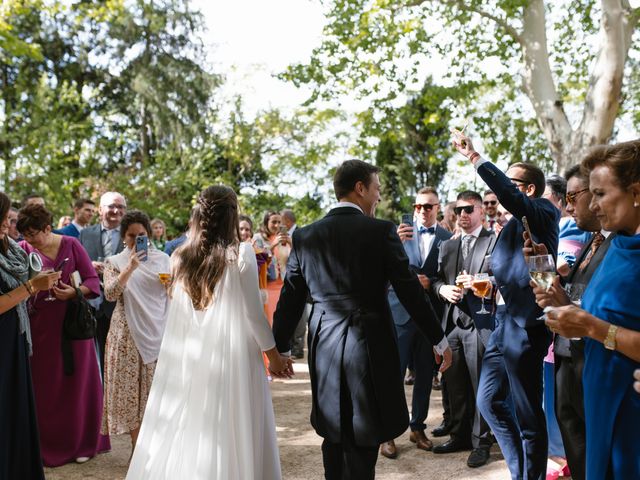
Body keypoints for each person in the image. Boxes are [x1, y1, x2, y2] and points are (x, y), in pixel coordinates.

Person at [272, 160, 452, 479]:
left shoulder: (306, 236)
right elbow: (409, 290)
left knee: (333, 430)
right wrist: (439, 338)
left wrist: (281, 349)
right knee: (364, 431)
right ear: (360, 189)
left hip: (323, 343)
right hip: (367, 344)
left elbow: (290, 296)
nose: (378, 197)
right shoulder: (380, 231)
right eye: (377, 189)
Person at [126, 186, 290, 479]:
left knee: (192, 426)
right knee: (232, 426)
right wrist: (274, 357)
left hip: (190, 355)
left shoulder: (180, 256)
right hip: (233, 357)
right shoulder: (241, 255)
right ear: (232, 215)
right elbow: (253, 315)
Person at [452, 132, 559, 480]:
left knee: (529, 417)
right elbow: (510, 272)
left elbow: (542, 269)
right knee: (489, 402)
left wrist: (475, 157)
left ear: (527, 189)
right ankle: (519, 471)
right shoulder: (510, 227)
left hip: (527, 329)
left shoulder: (541, 211)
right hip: (502, 324)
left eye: (509, 185)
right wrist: (487, 284)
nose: (498, 196)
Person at [545, 141, 640, 480]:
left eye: (600, 194)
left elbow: (601, 326)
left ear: (636, 193)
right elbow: (602, 314)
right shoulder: (619, 244)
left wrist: (592, 328)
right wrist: (565, 307)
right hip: (599, 396)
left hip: (629, 410)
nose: (592, 205)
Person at [526, 164, 615, 480]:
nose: (568, 206)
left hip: (594, 364)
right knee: (577, 454)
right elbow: (565, 298)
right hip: (565, 360)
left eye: (574, 197)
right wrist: (540, 267)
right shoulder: (593, 241)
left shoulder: (620, 245)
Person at [17, 204, 110, 466]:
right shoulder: (24, 250)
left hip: (73, 326)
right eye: (24, 234)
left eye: (33, 233)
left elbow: (92, 282)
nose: (28, 239)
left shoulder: (71, 244)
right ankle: (46, 445)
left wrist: (74, 292)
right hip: (40, 328)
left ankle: (82, 442)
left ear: (48, 228)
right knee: (45, 387)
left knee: (77, 384)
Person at [382, 186, 452, 458]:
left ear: (437, 208)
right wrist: (394, 245)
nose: (424, 210)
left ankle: (417, 427)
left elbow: (450, 275)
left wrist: (431, 284)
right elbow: (381, 273)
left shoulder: (447, 237)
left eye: (430, 206)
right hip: (398, 314)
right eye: (420, 206)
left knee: (424, 375)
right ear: (414, 208)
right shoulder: (395, 236)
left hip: (430, 317)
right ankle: (387, 433)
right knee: (393, 376)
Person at [432, 190, 496, 468]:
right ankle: (459, 435)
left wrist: (479, 281)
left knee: (480, 384)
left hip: (480, 324)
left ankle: (481, 442)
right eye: (459, 211)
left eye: (469, 209)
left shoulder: (494, 241)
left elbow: (503, 276)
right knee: (454, 383)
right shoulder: (447, 246)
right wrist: (442, 288)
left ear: (481, 210)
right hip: (452, 324)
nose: (464, 215)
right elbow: (435, 280)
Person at [0, 192, 60, 480]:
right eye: (5, 218)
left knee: (17, 408)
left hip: (16, 336)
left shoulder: (12, 249)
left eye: (9, 218)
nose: (8, 223)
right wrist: (32, 287)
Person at [101, 211, 171, 452]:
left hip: (158, 330)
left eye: (141, 235)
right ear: (123, 237)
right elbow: (110, 294)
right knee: (131, 395)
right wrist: (130, 268)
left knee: (154, 394)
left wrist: (171, 287)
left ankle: (155, 449)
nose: (136, 240)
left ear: (149, 235)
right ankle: (137, 449)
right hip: (126, 334)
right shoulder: (114, 262)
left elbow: (173, 297)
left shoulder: (164, 260)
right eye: (131, 236)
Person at [79, 191, 126, 374]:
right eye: (111, 206)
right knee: (89, 359)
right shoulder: (85, 234)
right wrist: (88, 265)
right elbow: (75, 265)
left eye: (120, 207)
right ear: (100, 209)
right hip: (89, 303)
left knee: (116, 360)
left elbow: (141, 264)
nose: (116, 210)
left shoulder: (133, 234)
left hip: (119, 305)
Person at [253, 211, 291, 324]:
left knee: (282, 322)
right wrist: (273, 245)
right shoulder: (258, 237)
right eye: (273, 222)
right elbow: (258, 260)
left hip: (283, 286)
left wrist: (291, 243)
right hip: (267, 285)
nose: (277, 225)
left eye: (279, 222)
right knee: (270, 322)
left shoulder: (283, 238)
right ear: (266, 223)